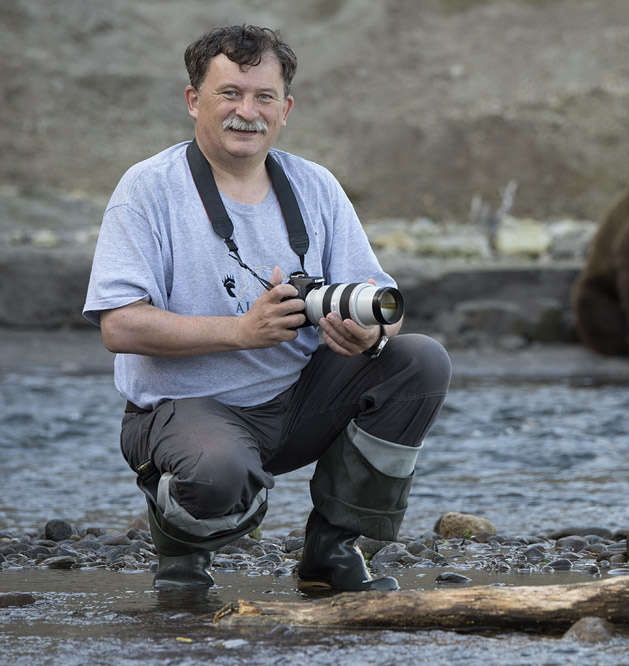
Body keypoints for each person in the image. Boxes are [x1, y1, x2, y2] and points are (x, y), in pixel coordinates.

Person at [83, 25, 451, 592]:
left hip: (299, 402)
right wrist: (241, 330)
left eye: (263, 97)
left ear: (286, 109)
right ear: (193, 100)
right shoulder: (147, 189)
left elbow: (383, 299)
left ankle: (332, 547)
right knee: (218, 474)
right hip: (186, 408)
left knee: (419, 359)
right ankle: (182, 553)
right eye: (229, 93)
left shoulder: (315, 185)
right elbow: (118, 325)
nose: (246, 112)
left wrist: (368, 333)